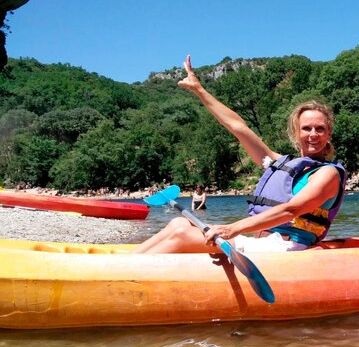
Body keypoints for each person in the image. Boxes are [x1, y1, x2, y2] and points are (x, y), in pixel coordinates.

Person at [134, 55, 346, 254]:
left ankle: (118, 275)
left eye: (320, 129)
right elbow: (238, 126)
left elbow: (292, 210)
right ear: (296, 132)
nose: (313, 135)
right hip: (262, 244)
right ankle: (115, 267)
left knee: (182, 234)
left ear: (329, 134)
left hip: (288, 248)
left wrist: (232, 229)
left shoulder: (328, 174)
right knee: (179, 223)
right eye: (306, 128)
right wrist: (200, 90)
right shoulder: (280, 163)